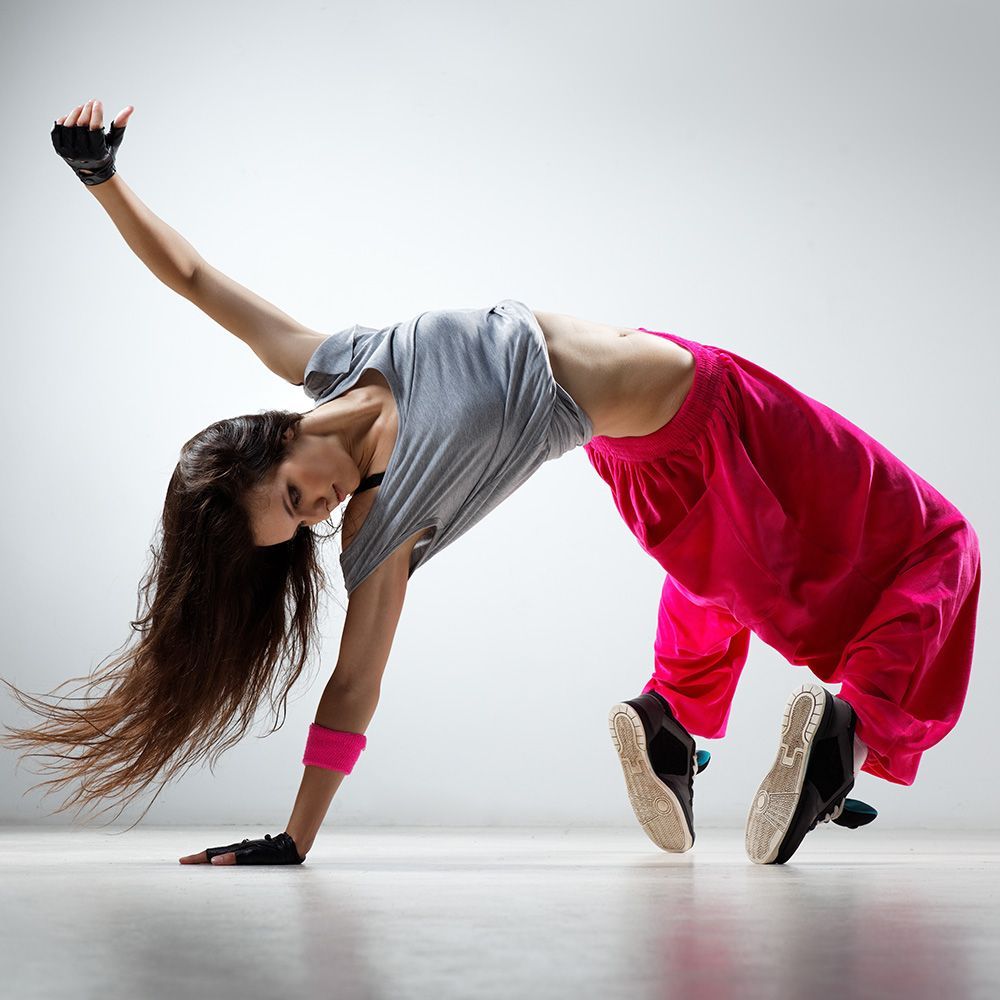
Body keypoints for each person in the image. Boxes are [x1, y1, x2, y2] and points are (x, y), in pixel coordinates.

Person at [1, 99, 981, 867]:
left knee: (724, 581)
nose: (321, 512)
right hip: (708, 409)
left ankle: (672, 729)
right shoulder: (382, 529)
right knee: (940, 543)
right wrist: (295, 835)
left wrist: (103, 180)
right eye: (301, 527)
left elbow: (196, 278)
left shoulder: (328, 359)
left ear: (269, 442)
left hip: (651, 466)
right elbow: (353, 683)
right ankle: (845, 737)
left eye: (295, 497)